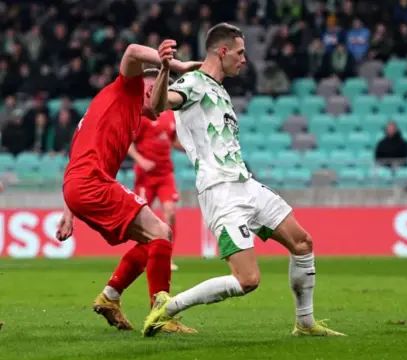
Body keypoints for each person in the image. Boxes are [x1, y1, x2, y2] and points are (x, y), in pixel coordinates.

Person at [141, 23, 345, 337]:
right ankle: (166, 308)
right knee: (248, 280)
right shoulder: (192, 83)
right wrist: (166, 68)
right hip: (220, 191)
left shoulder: (218, 89)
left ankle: (305, 324)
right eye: (240, 52)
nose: (245, 59)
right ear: (222, 51)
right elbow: (157, 106)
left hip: (245, 183)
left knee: (303, 243)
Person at [56, 40, 201, 332]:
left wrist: (69, 209)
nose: (162, 109)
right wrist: (173, 65)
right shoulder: (127, 90)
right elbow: (133, 51)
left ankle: (110, 296)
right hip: (90, 183)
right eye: (160, 97)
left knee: (152, 239)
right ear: (148, 89)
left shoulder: (113, 109)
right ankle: (162, 313)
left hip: (78, 185)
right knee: (162, 232)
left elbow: (77, 156)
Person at [127, 84, 183, 272]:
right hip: (145, 176)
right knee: (142, 218)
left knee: (171, 212)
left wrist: (192, 148)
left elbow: (173, 140)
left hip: (165, 173)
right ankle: (143, 255)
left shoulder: (170, 116)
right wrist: (141, 161)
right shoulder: (143, 117)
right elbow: (128, 143)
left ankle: (167, 257)